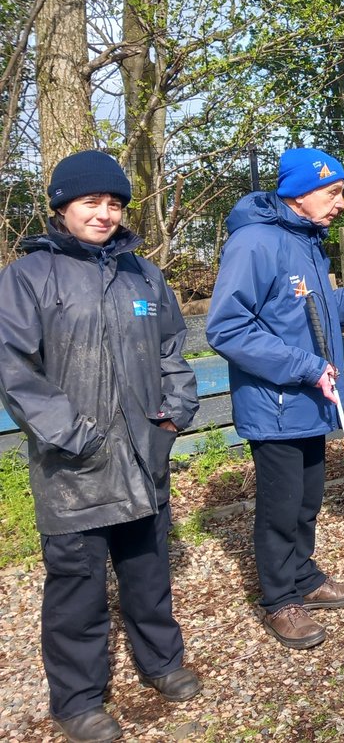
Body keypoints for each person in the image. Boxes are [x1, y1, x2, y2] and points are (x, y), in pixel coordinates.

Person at [0, 151, 200, 743]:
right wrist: (70, 433)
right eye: (92, 202)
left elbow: (172, 350)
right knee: (77, 588)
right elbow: (15, 368)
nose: (105, 213)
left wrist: (174, 415)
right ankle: (79, 699)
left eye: (114, 203)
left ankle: (161, 662)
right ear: (62, 207)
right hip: (74, 466)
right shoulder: (29, 277)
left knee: (147, 570)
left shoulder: (142, 274)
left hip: (144, 453)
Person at [207, 148, 344, 650]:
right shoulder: (255, 243)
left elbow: (310, 309)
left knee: (307, 500)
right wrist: (305, 366)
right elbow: (228, 326)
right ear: (299, 193)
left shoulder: (307, 241)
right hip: (276, 400)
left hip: (311, 400)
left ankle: (304, 576)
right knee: (280, 506)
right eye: (333, 192)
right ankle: (280, 599)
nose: (341, 203)